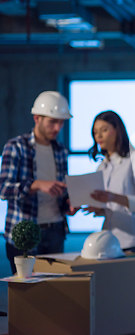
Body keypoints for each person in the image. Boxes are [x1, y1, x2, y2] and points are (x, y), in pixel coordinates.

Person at [83, 110, 135, 335]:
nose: (99, 136)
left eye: (104, 129)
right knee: (117, 304)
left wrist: (112, 198)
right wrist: (99, 208)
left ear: (118, 130)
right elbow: (110, 207)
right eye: (95, 132)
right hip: (109, 242)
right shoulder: (102, 166)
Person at [0, 91, 79, 274]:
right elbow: (4, 190)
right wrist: (36, 185)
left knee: (53, 291)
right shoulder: (16, 147)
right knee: (26, 294)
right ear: (37, 118)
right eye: (53, 121)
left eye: (61, 122)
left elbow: (60, 191)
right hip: (24, 232)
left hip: (55, 230)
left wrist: (69, 204)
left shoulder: (60, 150)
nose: (58, 127)